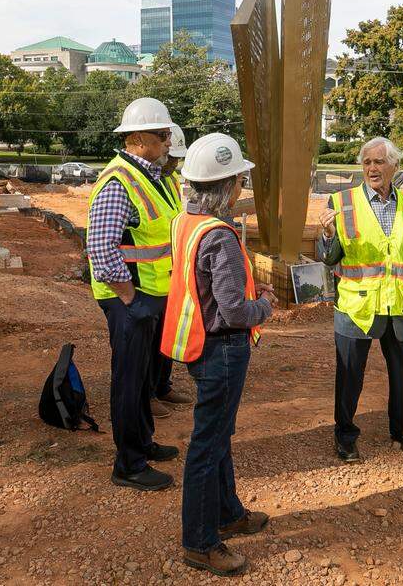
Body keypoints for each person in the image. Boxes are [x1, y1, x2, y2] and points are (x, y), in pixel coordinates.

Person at [160, 133, 277, 577]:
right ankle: (200, 542)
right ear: (227, 186)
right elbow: (232, 311)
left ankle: (228, 514)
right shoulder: (221, 237)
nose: (242, 186)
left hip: (197, 346)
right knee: (207, 446)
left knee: (219, 434)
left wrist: (250, 293)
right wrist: (264, 306)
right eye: (239, 180)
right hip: (220, 350)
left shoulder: (185, 221)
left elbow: (209, 291)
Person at [86, 97, 182, 491]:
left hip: (151, 293)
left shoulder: (155, 177)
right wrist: (129, 298)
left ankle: (143, 442)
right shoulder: (119, 181)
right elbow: (102, 248)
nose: (167, 142)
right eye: (162, 135)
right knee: (128, 380)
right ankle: (129, 464)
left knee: (141, 377)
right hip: (130, 297)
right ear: (138, 138)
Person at [319, 136, 403, 463]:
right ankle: (346, 436)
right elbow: (328, 257)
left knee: (401, 374)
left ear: (394, 165)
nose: (372, 168)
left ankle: (402, 429)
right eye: (366, 162)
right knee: (350, 376)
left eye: (378, 162)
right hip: (357, 308)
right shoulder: (342, 203)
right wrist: (326, 236)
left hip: (400, 306)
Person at [147, 123, 194, 420]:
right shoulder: (146, 181)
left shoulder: (171, 180)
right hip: (148, 279)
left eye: (178, 158)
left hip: (171, 275)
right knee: (148, 344)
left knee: (167, 338)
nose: (174, 162)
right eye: (172, 157)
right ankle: (148, 393)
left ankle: (162, 385)